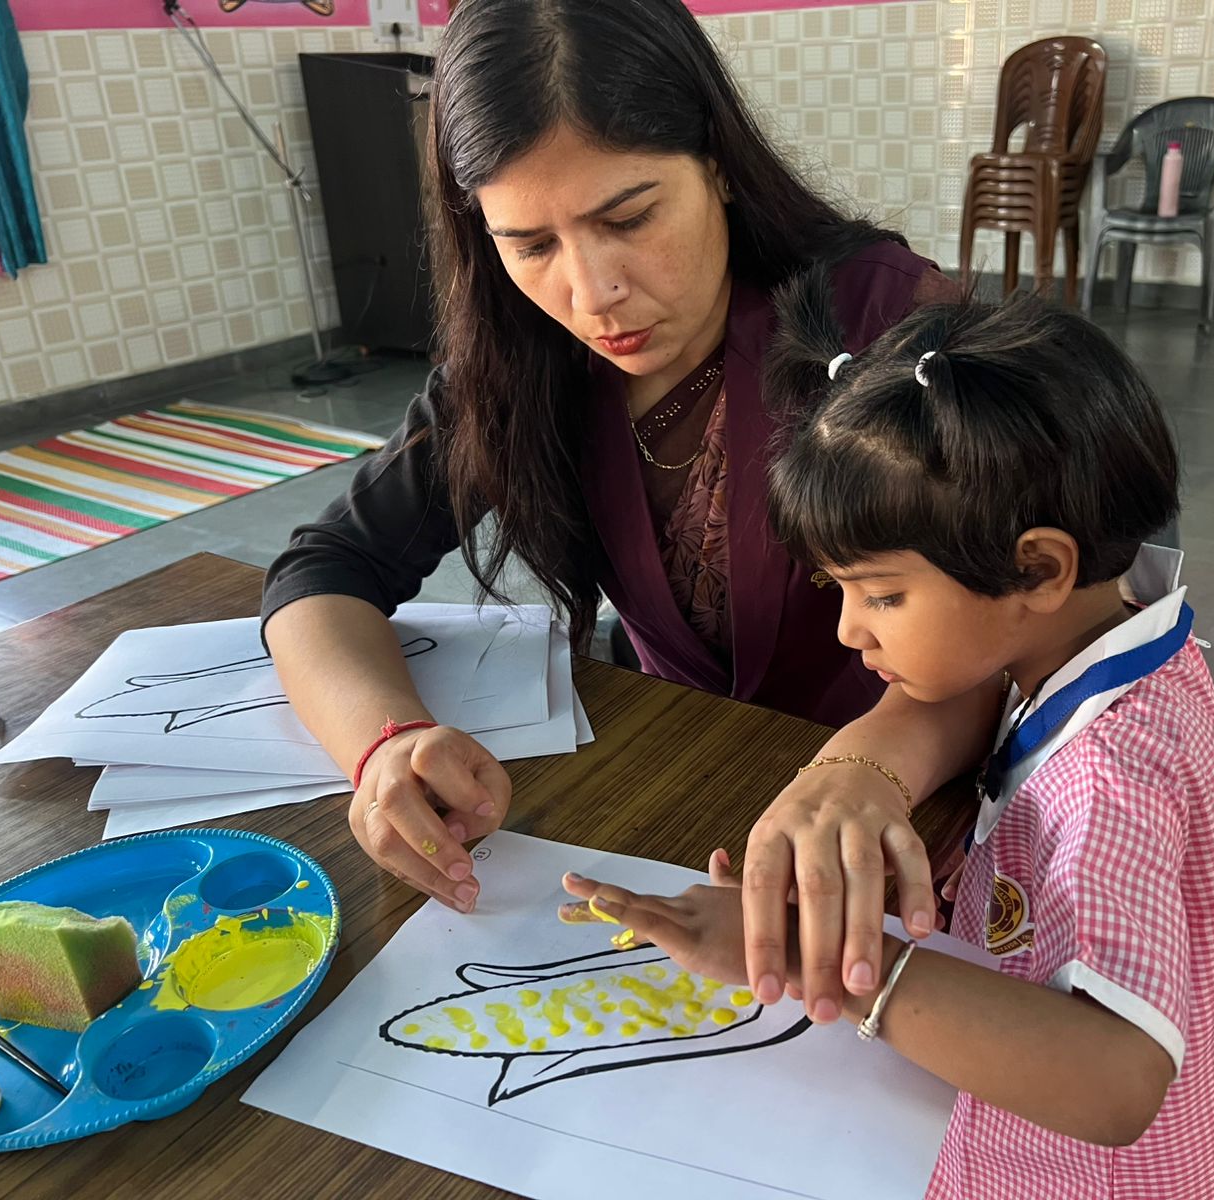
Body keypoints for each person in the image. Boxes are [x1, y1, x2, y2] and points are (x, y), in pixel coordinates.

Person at [261, 0, 994, 1015]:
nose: (591, 292)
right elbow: (323, 571)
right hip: (680, 808)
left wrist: (873, 764)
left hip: (904, 820)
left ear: (717, 164)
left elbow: (1030, 620)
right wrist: (383, 745)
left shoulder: (882, 322)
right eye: (530, 244)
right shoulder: (517, 367)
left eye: (629, 218)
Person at [561, 276, 1214, 1198]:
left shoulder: (1110, 776)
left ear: (1038, 569)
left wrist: (820, 954)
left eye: (883, 595)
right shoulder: (1116, 630)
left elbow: (1116, 1080)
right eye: (839, 591)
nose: (849, 631)